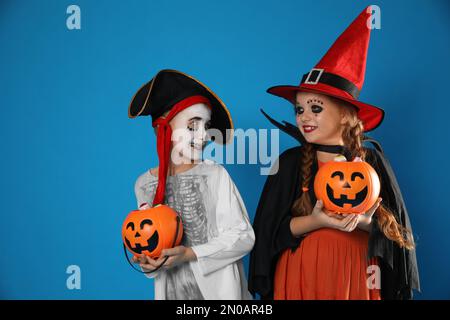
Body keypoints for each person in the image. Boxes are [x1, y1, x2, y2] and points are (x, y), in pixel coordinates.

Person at [249, 7, 420, 300]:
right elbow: (269, 235)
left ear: (345, 116)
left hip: (356, 274)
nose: (305, 117)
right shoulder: (289, 163)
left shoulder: (372, 161)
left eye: (316, 108)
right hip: (300, 273)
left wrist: (364, 222)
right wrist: (318, 221)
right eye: (299, 109)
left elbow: (396, 240)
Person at [128, 69, 254, 300]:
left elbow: (243, 236)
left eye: (206, 126)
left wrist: (191, 253)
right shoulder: (145, 184)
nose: (205, 135)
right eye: (193, 126)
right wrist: (148, 263)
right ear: (162, 128)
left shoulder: (215, 175)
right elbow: (153, 245)